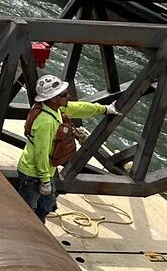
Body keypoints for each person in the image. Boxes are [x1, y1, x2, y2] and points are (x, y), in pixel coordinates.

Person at [14, 75, 104, 220]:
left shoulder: (55, 109)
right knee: (27, 210)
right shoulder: (46, 122)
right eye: (63, 94)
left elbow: (79, 107)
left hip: (44, 172)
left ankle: (38, 222)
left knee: (47, 204)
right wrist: (44, 180)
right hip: (33, 174)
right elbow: (40, 154)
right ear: (53, 99)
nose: (67, 96)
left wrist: (104, 109)